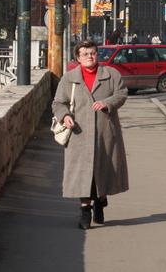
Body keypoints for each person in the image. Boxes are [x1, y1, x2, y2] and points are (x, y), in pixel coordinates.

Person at [52, 40, 129, 229]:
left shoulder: (111, 75)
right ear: (78, 57)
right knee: (83, 174)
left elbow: (122, 94)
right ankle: (85, 211)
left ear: (97, 54)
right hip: (79, 134)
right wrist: (65, 116)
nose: (89, 57)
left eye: (93, 53)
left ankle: (100, 202)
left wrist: (107, 103)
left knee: (103, 171)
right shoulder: (69, 78)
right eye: (85, 54)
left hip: (106, 133)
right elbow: (58, 103)